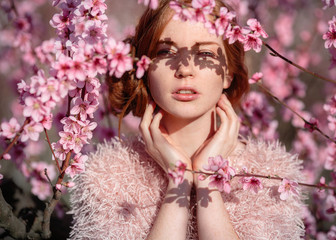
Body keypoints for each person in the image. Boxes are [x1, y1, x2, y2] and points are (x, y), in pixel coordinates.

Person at [69, 0, 305, 239]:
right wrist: (178, 180)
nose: (184, 69)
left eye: (204, 53)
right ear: (144, 67)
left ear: (228, 74)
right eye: (166, 51)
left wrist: (207, 179)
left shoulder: (271, 178)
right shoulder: (107, 178)